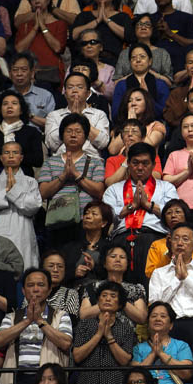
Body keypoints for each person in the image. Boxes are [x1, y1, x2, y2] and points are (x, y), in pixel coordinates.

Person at [148, 223, 193, 384]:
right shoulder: (159, 273)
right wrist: (176, 280)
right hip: (167, 329)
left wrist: (186, 278)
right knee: (166, 377)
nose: (180, 243)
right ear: (169, 243)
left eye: (185, 239)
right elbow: (156, 304)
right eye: (176, 238)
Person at [0, 268, 73, 384]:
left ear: (49, 290)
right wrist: (26, 321)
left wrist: (40, 321)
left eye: (41, 285)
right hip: (17, 380)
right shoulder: (11, 317)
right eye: (30, 285)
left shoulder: (61, 315)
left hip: (48, 382)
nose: (35, 289)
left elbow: (66, 343)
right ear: (23, 291)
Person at [102, 142, 179, 281]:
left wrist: (148, 205)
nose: (140, 168)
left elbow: (174, 214)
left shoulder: (167, 187)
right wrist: (132, 206)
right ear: (128, 164)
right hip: (121, 239)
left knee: (151, 284)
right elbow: (107, 215)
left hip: (155, 238)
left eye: (145, 163)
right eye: (135, 163)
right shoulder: (114, 189)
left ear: (153, 165)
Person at [38, 114, 106, 249]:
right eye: (69, 131)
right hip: (56, 221)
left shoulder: (95, 162)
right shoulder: (50, 162)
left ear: (86, 137)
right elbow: (43, 193)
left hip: (84, 222)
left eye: (78, 131)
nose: (73, 135)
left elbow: (99, 191)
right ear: (62, 136)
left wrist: (76, 174)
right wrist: (63, 176)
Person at [72, 282, 136, 384]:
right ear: (98, 301)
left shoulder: (126, 328)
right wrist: (98, 334)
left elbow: (124, 360)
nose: (107, 299)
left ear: (120, 304)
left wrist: (109, 336)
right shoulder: (85, 325)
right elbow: (77, 356)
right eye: (104, 295)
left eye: (113, 296)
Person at [0, 142, 42, 268]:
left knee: (25, 266)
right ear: (1, 158)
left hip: (22, 230)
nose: (11, 156)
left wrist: (11, 191)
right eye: (7, 152)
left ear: (21, 157)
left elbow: (34, 206)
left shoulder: (31, 182)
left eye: (15, 152)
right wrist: (8, 192)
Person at [131, 301, 193, 384]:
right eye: (154, 316)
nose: (158, 319)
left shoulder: (181, 346)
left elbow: (187, 374)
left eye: (163, 316)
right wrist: (152, 354)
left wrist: (161, 354)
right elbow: (135, 377)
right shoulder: (138, 348)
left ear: (171, 325)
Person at [79, 242, 147, 328]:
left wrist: (120, 298)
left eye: (122, 257)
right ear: (104, 263)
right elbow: (83, 315)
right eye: (113, 256)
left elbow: (142, 318)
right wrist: (107, 304)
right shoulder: (92, 287)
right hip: (96, 334)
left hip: (126, 337)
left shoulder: (136, 289)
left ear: (127, 264)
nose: (118, 260)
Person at [45, 73, 110, 159]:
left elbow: (103, 143)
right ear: (65, 93)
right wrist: (70, 119)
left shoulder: (99, 115)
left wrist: (81, 119)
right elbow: (51, 144)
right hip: (61, 161)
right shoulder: (54, 115)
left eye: (79, 87)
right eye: (70, 87)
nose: (75, 90)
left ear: (88, 93)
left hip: (91, 161)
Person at [14, 0, 67, 83]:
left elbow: (58, 48)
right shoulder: (24, 25)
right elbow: (19, 49)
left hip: (52, 73)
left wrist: (43, 26)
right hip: (28, 73)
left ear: (48, 0)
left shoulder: (60, 23)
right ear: (30, 2)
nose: (37, 1)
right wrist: (35, 28)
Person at [112, 43, 171, 122]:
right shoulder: (121, 85)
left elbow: (166, 113)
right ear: (130, 62)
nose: (138, 60)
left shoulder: (160, 84)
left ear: (150, 61)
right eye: (134, 57)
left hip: (155, 126)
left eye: (142, 57)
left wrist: (147, 97)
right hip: (127, 125)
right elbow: (115, 114)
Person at [60, 200, 112, 288]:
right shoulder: (70, 247)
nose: (87, 216)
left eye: (94, 214)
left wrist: (94, 267)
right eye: (86, 213)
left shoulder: (109, 248)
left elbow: (113, 274)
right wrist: (74, 273)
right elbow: (59, 273)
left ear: (103, 223)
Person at [114, 15, 172, 84]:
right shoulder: (125, 53)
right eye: (139, 24)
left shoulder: (162, 53)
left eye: (147, 24)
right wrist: (136, 73)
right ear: (134, 29)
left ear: (153, 29)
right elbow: (116, 83)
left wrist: (147, 72)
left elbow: (169, 83)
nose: (143, 27)